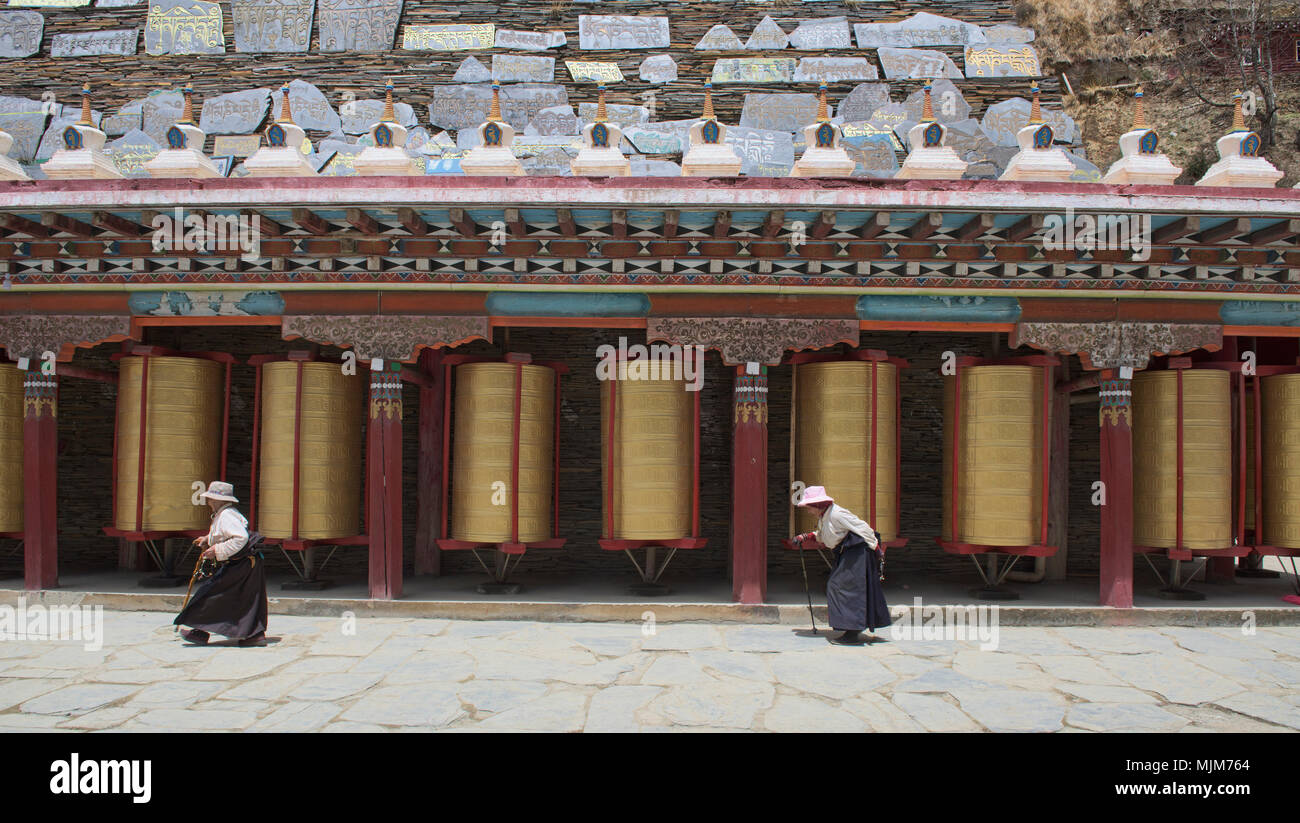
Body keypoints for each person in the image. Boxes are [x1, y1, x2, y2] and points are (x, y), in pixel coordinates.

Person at [175, 481, 268, 647]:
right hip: (243, 565)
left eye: (210, 499)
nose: (208, 502)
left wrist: (216, 550)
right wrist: (207, 539)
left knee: (210, 594)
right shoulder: (224, 514)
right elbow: (224, 535)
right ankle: (251, 635)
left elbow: (240, 538)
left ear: (218, 500)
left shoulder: (227, 515)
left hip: (242, 565)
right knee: (235, 598)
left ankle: (250, 635)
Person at [795, 485, 891, 646]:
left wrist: (876, 550)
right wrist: (806, 536)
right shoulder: (825, 517)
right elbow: (826, 536)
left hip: (858, 552)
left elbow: (863, 528)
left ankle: (852, 632)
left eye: (809, 507)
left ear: (817, 505)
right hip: (849, 553)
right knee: (839, 586)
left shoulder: (837, 514)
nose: (808, 511)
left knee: (841, 586)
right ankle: (852, 627)